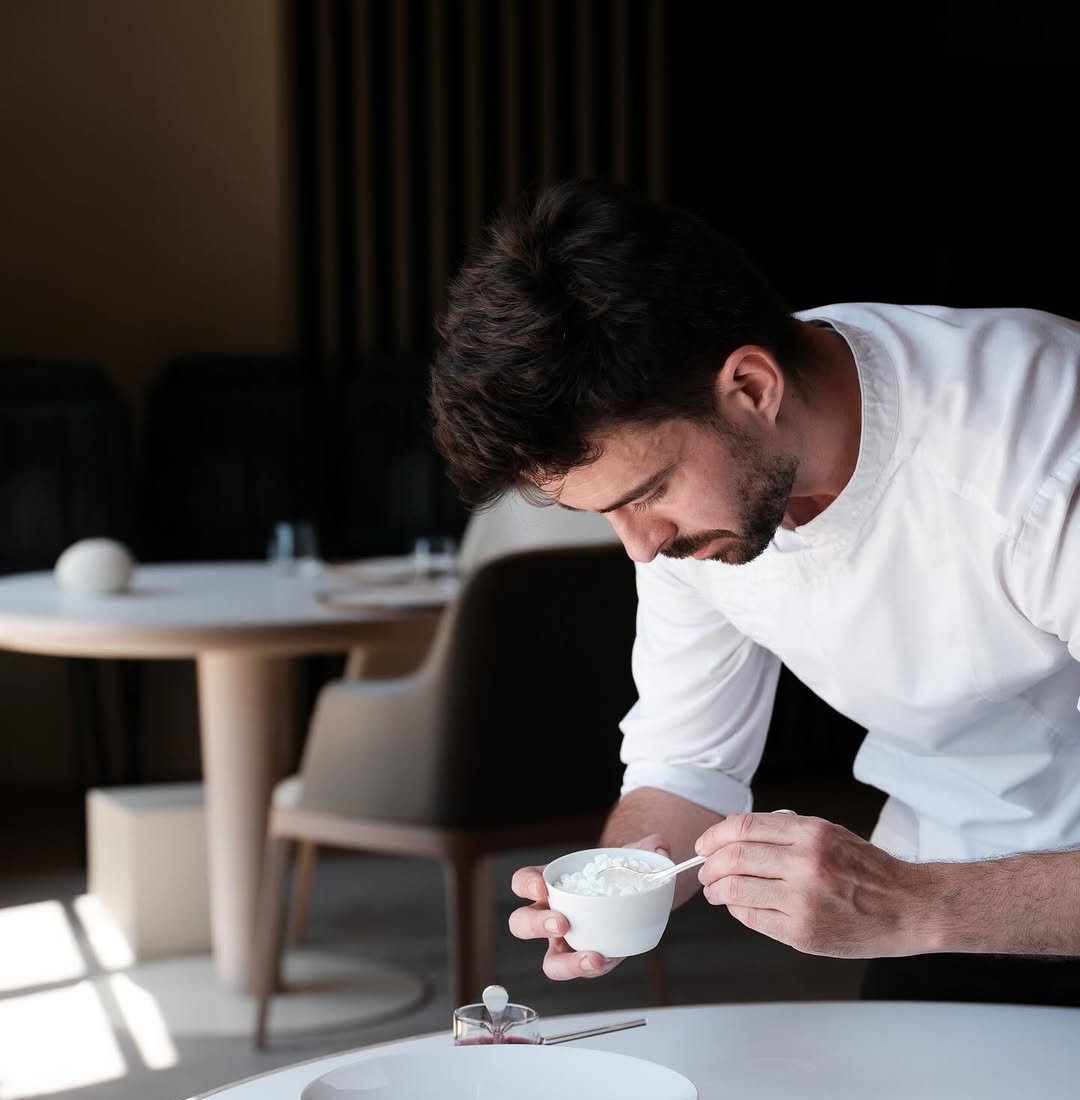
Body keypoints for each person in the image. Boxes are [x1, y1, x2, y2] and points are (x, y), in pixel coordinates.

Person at [429, 178, 1080, 1005]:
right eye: (607, 515)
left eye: (647, 492)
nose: (642, 545)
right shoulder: (697, 519)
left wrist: (914, 906)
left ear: (752, 388)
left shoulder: (1042, 450)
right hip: (941, 880)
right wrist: (629, 882)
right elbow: (688, 763)